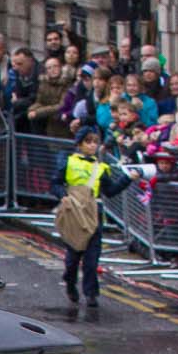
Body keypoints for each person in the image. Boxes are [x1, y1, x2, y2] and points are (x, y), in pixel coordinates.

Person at [51, 125, 133, 315]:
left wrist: (128, 178)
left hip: (93, 213)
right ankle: (70, 282)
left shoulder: (102, 168)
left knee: (91, 259)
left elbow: (110, 191)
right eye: (88, 142)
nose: (92, 146)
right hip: (73, 213)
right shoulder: (68, 162)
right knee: (73, 258)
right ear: (79, 144)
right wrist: (62, 195)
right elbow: (54, 183)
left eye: (95, 142)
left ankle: (91, 294)